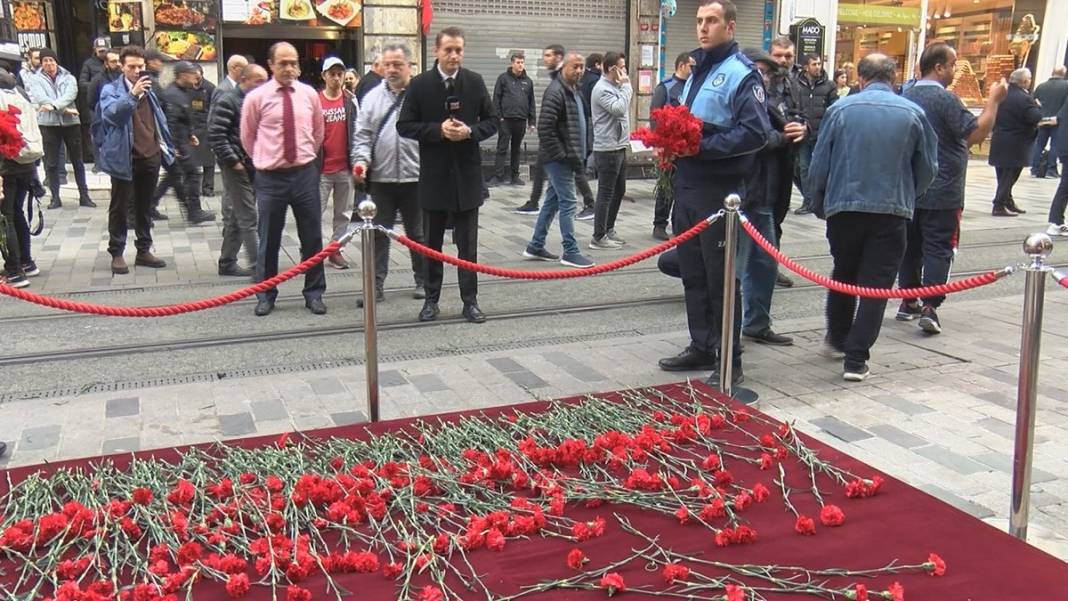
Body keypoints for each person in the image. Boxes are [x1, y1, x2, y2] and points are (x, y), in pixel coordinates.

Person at [656, 0, 769, 388]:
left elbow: (755, 133)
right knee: (693, 273)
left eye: (712, 21)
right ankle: (702, 344)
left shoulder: (741, 74)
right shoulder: (695, 71)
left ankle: (729, 358)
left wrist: (700, 148)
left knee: (721, 279)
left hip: (719, 192)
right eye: (700, 21)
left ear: (730, 27)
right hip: (688, 186)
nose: (703, 28)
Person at [808, 53, 938, 381]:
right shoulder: (913, 113)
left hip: (844, 209)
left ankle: (837, 337)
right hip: (891, 210)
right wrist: (912, 194)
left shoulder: (840, 110)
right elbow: (927, 168)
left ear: (860, 79)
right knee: (875, 286)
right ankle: (856, 358)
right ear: (894, 79)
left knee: (844, 273)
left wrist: (818, 201)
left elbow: (819, 162)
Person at [898, 43, 1006, 334]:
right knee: (938, 248)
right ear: (939, 67)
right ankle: (931, 306)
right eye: (953, 64)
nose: (956, 70)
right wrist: (994, 100)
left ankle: (908, 300)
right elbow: (976, 132)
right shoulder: (946, 100)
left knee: (911, 247)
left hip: (910, 188)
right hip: (943, 189)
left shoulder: (904, 96)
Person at [397, 26, 498, 324]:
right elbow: (404, 126)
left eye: (459, 50)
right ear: (437, 51)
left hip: (467, 179)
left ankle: (470, 301)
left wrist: (471, 132)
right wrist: (436, 131)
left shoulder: (475, 82)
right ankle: (431, 300)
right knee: (432, 244)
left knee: (468, 247)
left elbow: (493, 121)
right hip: (434, 178)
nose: (454, 55)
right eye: (448, 50)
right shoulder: (420, 85)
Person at [241, 42, 327, 317]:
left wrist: (305, 158)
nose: (289, 68)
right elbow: (248, 138)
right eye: (283, 63)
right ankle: (266, 294)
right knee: (269, 239)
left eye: (293, 63)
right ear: (271, 65)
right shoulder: (256, 98)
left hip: (304, 175)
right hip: (270, 178)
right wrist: (266, 159)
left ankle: (314, 293)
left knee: (312, 238)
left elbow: (317, 132)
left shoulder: (309, 95)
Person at [351, 42, 427, 305]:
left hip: (416, 178)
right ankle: (375, 286)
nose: (392, 69)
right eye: (387, 64)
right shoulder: (371, 98)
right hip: (381, 179)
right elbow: (362, 136)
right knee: (378, 234)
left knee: (418, 234)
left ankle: (424, 281)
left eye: (398, 64)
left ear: (410, 66)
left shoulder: (422, 95)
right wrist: (360, 161)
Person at [738, 49, 805, 347]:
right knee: (740, 266)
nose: (763, 77)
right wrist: (783, 138)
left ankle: (756, 323)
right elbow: (753, 139)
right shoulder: (741, 98)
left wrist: (802, 129)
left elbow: (800, 119)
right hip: (744, 197)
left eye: (767, 72)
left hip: (769, 194)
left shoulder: (778, 96)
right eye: (759, 71)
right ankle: (728, 332)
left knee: (763, 264)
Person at [94, 45, 174, 275]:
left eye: (141, 66)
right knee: (119, 208)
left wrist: (164, 147)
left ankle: (143, 250)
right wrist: (132, 95)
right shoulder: (111, 89)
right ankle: (117, 252)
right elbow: (112, 116)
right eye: (132, 66)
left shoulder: (150, 89)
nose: (137, 71)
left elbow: (159, 119)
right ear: (121, 66)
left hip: (150, 155)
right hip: (124, 157)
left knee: (145, 206)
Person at [522, 52, 595, 269]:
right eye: (575, 66)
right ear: (564, 67)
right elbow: (545, 128)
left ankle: (535, 245)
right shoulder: (556, 91)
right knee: (569, 202)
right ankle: (570, 251)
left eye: (582, 67)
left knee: (553, 201)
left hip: (569, 157)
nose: (580, 71)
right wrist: (562, 155)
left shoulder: (574, 90)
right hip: (560, 159)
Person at [513, 44, 595, 218]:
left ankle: (589, 203)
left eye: (549, 55)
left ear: (559, 58)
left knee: (567, 196)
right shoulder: (559, 78)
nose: (546, 59)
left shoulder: (566, 77)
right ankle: (534, 205)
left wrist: (563, 152)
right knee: (550, 188)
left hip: (562, 143)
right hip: (557, 142)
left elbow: (569, 113)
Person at [210, 63, 267, 278]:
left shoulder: (255, 102)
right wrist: (234, 162)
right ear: (244, 80)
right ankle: (258, 266)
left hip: (252, 165)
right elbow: (216, 134)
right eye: (258, 80)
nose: (263, 85)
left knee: (238, 215)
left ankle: (227, 261)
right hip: (236, 167)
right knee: (248, 217)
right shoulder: (228, 100)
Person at [24, 48, 94, 209]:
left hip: (71, 123)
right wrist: (65, 109)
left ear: (56, 61)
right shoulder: (34, 79)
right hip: (49, 125)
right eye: (45, 61)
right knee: (52, 163)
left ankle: (84, 195)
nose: (49, 64)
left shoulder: (69, 77)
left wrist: (54, 106)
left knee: (77, 161)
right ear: (41, 63)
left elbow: (71, 95)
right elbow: (40, 98)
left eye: (51, 60)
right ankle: (55, 197)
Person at [0, 66, 44, 288]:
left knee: (5, 215)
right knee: (16, 212)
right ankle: (26, 262)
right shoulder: (19, 92)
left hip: (6, 164)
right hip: (26, 161)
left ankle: (14, 270)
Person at [159, 61, 216, 224]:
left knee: (174, 175)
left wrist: (191, 134)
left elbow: (186, 116)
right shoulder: (173, 94)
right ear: (183, 75)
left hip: (183, 139)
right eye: (192, 74)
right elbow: (170, 122)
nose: (196, 77)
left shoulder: (185, 91)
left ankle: (152, 204)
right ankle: (194, 212)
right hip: (177, 143)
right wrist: (173, 146)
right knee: (192, 174)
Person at [766, 35, 803, 289]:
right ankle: (757, 267)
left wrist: (805, 129)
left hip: (786, 160)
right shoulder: (759, 81)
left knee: (778, 215)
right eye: (778, 55)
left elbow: (807, 117)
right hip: (762, 160)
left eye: (788, 56)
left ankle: (771, 265)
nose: (783, 60)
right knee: (761, 216)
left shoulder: (796, 85)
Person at [649, 52, 695, 241]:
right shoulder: (666, 87)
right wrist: (659, 144)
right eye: (691, 66)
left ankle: (679, 223)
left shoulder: (695, 86)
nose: (694, 70)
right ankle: (659, 224)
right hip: (668, 146)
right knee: (666, 186)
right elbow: (654, 116)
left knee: (683, 187)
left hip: (687, 146)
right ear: (682, 65)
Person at [589, 50, 632, 250]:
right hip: (607, 148)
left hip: (619, 146)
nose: (624, 71)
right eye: (621, 67)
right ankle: (598, 236)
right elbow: (618, 109)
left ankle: (609, 228)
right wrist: (627, 87)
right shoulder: (601, 89)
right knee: (606, 192)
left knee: (619, 190)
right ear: (610, 69)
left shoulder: (615, 86)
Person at [317, 56, 357, 270]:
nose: (336, 78)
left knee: (343, 213)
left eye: (339, 74)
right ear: (324, 76)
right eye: (331, 74)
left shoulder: (350, 100)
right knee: (315, 212)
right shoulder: (315, 100)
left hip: (345, 167)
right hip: (321, 169)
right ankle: (312, 252)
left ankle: (335, 250)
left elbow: (358, 131)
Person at [989, 68, 1042, 217]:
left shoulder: (1001, 94)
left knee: (1003, 175)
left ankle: (1007, 201)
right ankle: (999, 205)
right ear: (1024, 81)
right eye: (1029, 79)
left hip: (1000, 139)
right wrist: (1038, 107)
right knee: (1010, 175)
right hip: (1016, 143)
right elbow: (1034, 117)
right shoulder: (1025, 99)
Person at [792, 53, 834, 216]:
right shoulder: (796, 84)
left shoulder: (829, 85)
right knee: (803, 168)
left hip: (821, 133)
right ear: (806, 67)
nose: (818, 67)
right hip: (803, 133)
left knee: (819, 167)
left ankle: (817, 199)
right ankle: (808, 200)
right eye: (814, 64)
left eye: (819, 64)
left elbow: (833, 108)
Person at [489, 52, 536, 187]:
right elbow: (496, 99)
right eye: (518, 62)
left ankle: (515, 176)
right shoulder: (503, 79)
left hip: (521, 120)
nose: (520, 65)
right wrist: (499, 117)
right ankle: (498, 176)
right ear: (512, 63)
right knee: (502, 147)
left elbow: (531, 102)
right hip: (506, 120)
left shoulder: (528, 81)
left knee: (516, 149)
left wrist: (532, 122)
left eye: (522, 62)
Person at [87, 49, 122, 173]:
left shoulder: (124, 77)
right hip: (102, 116)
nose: (117, 64)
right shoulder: (98, 79)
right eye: (113, 61)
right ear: (106, 64)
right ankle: (100, 164)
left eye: (119, 61)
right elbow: (90, 100)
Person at [1031, 66, 1068, 178]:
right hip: (1058, 120)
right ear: (1063, 74)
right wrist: (1059, 117)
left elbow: (1034, 101)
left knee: (1039, 144)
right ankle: (1050, 170)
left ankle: (1035, 168)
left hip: (1042, 119)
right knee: (1055, 145)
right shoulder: (1066, 86)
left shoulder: (1041, 86)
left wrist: (1040, 112)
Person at [192, 64, 216, 197]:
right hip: (191, 128)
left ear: (201, 74)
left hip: (206, 128)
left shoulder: (210, 88)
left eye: (197, 75)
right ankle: (192, 189)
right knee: (191, 160)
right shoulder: (187, 87)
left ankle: (208, 189)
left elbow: (215, 108)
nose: (195, 78)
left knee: (208, 161)